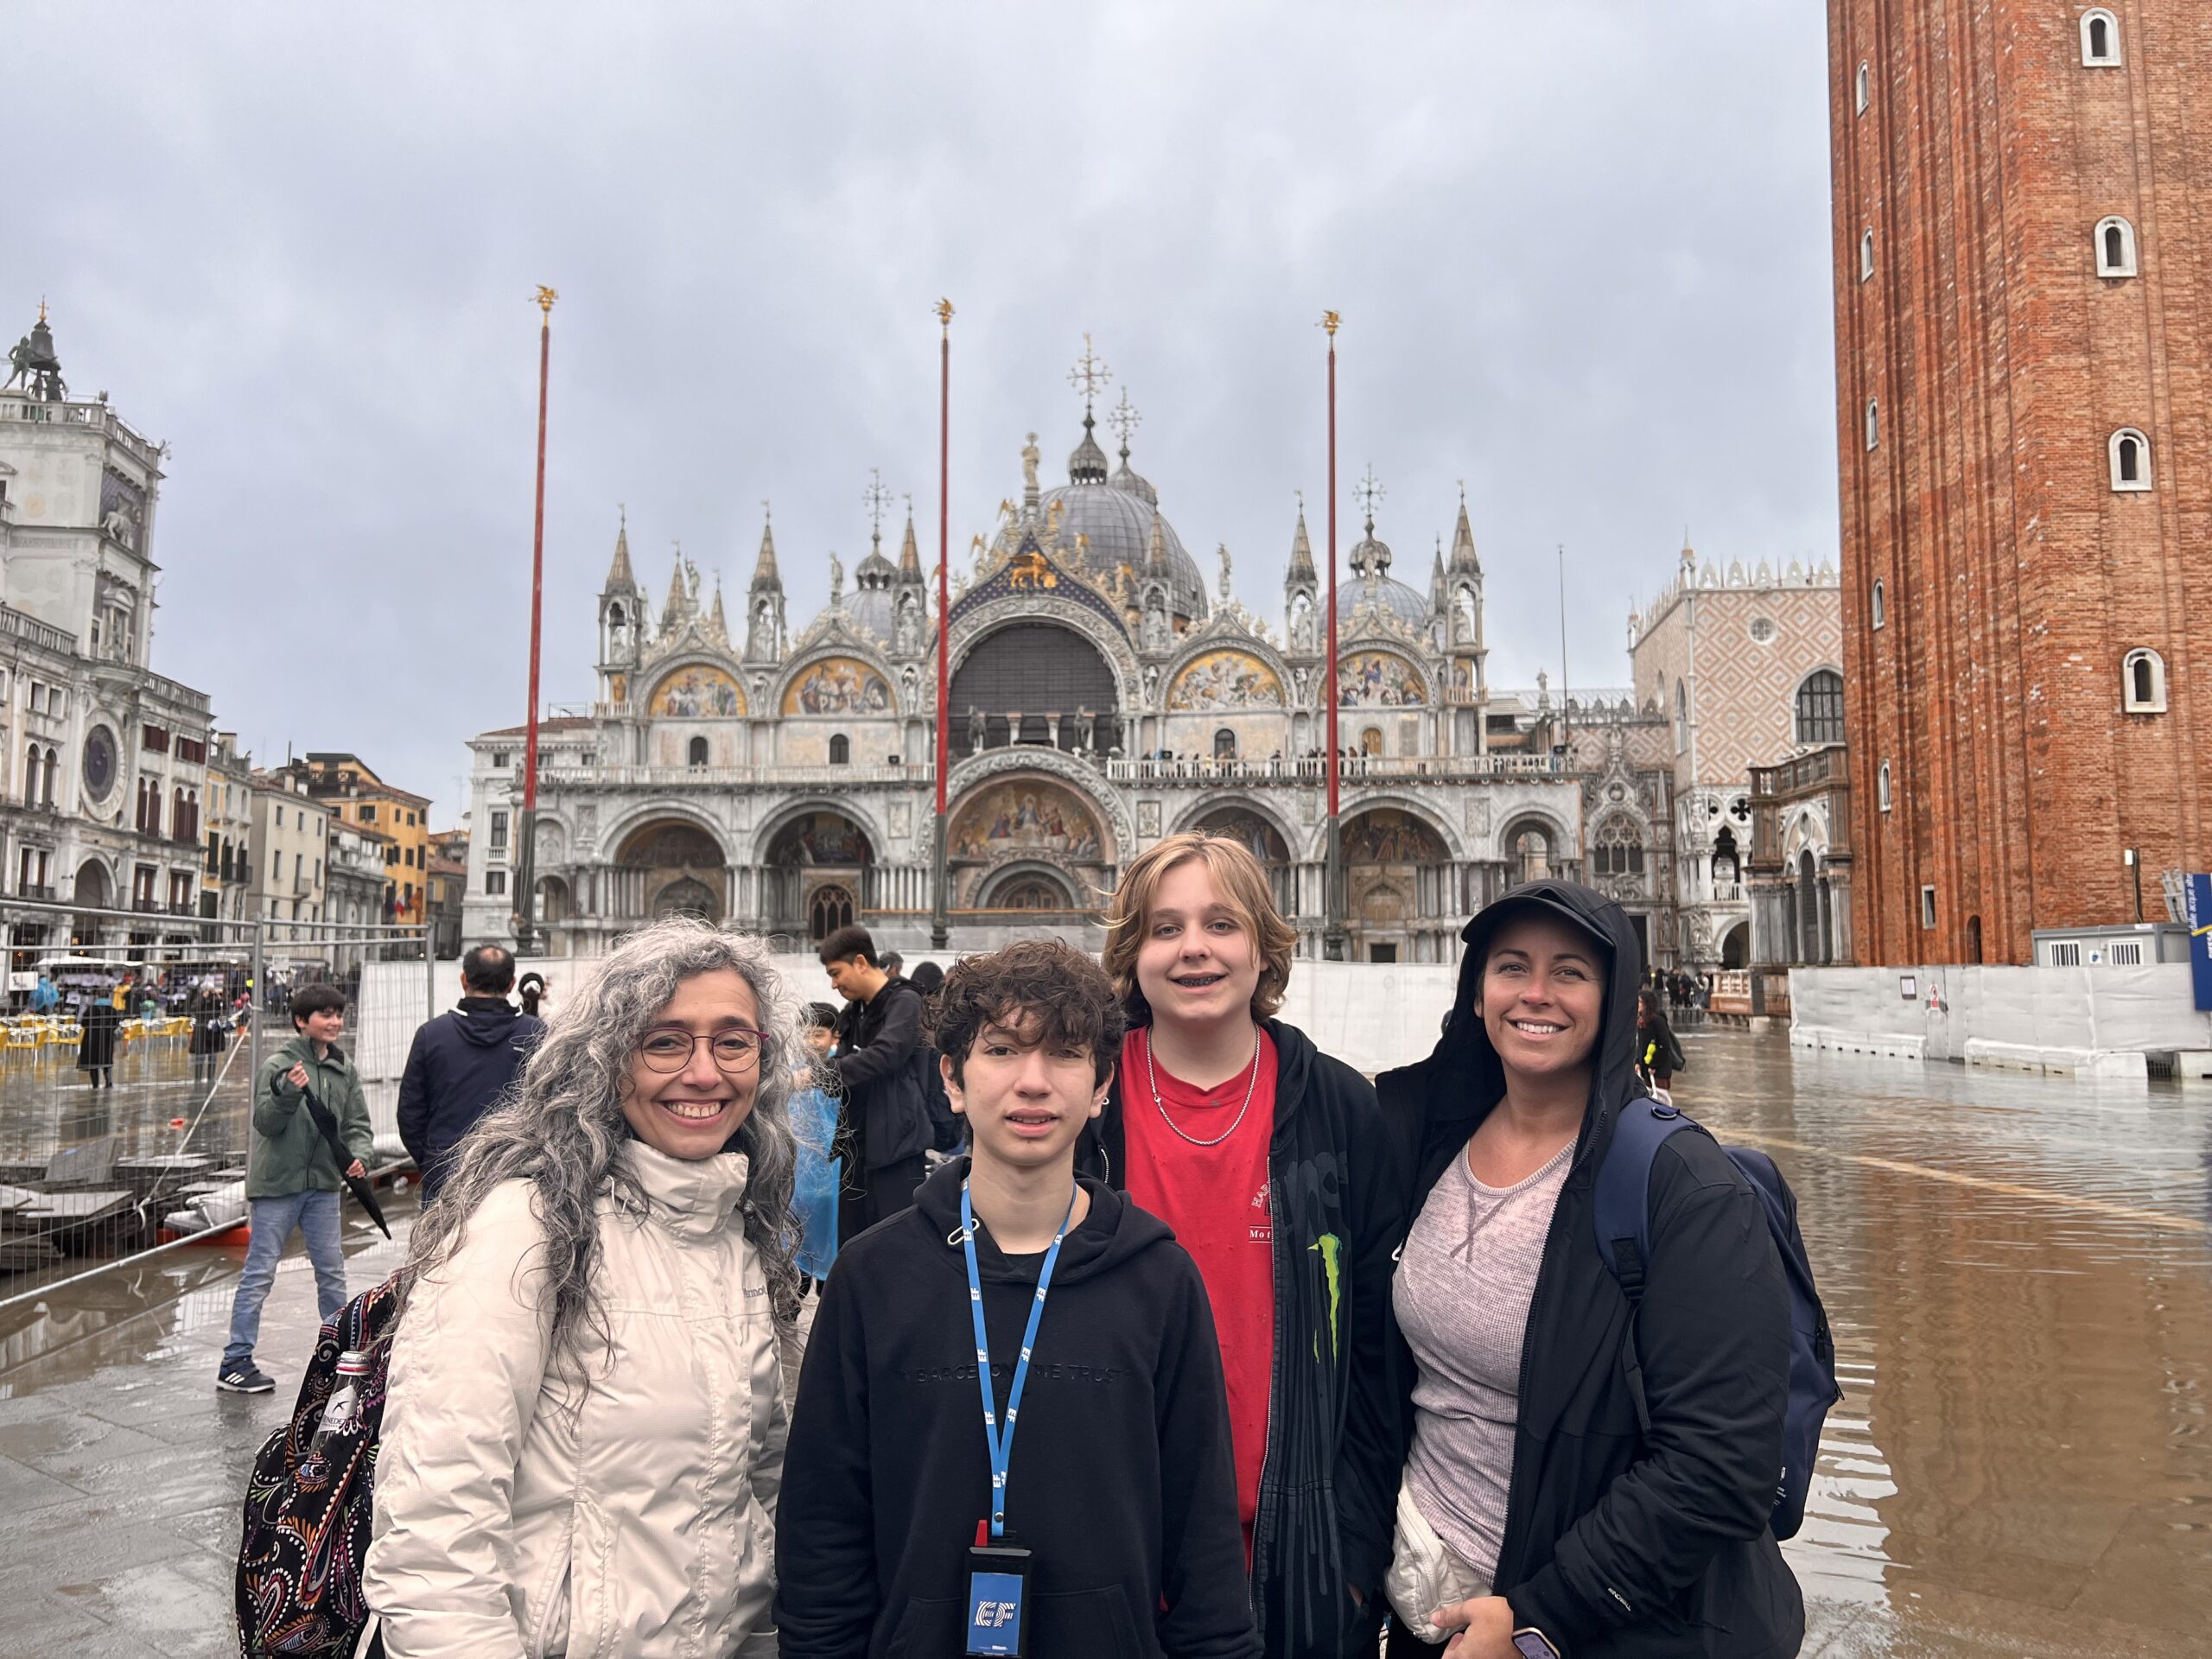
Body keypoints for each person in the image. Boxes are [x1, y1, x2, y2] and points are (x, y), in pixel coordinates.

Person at [776, 939, 1261, 1659]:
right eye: (1001, 1051)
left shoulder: (1159, 1280)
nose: (1032, 1082)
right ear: (952, 1080)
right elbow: (824, 1527)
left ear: (1102, 1086)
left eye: (1065, 1054)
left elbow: (1204, 1533)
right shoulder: (871, 1277)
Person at [1374, 882, 1800, 1659]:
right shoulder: (1425, 1141)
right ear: (1476, 993)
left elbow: (1722, 1463)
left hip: (1577, 1624)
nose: (1536, 994)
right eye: (1511, 968)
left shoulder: (1686, 1186)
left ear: (1616, 999)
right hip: (1425, 1600)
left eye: (1570, 972)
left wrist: (1541, 1618)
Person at [365, 918, 798, 1658]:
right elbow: (433, 1537)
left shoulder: (739, 1234)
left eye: (733, 1042)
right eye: (664, 1042)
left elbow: (751, 1498)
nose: (704, 1073)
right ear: (604, 1059)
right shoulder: (524, 1228)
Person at [1089, 831, 1403, 1658]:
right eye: (1165, 928)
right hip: (1100, 1542)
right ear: (1131, 954)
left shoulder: (1341, 1112)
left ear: (1264, 949)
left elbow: (1379, 1349)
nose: (1194, 948)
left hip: (1296, 1553)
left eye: (1222, 924)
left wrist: (1355, 1550)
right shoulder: (1078, 1106)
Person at [218, 984, 373, 1394]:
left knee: (332, 1272)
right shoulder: (279, 1064)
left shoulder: (344, 1069)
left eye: (339, 1014)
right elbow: (265, 1124)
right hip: (277, 1187)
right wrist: (288, 1092)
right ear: (301, 1021)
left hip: (323, 1185)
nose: (335, 1022)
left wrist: (361, 1156)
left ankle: (340, 1355)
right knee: (259, 1272)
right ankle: (235, 1361)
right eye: (325, 1015)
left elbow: (357, 1123)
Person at [395, 944, 548, 1199]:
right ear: (511, 984)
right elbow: (551, 1106)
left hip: (447, 1176)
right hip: (515, 1175)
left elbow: (410, 1115)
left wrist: (433, 1162)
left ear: (464, 979)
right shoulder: (536, 1034)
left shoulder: (432, 1035)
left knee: (445, 1240)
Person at [809, 924, 931, 1238]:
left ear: (861, 963)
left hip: (896, 1146)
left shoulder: (905, 1001)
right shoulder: (854, 1012)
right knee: (854, 1243)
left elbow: (887, 1053)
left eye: (837, 973)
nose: (834, 984)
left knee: (898, 1242)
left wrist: (820, 1074)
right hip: (856, 1145)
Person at [791, 1001, 843, 1292]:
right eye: (807, 1033)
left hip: (833, 1177)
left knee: (831, 1249)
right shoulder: (789, 1071)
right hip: (798, 1180)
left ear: (835, 1036)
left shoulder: (846, 1069)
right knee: (793, 1264)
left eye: (819, 1034)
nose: (812, 1041)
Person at [1636, 988, 1688, 1101]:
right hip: (1645, 1068)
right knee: (1648, 1098)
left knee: (1662, 1099)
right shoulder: (1640, 1021)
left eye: (1640, 1002)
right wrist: (1638, 1062)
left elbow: (1664, 1045)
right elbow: (1640, 1045)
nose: (1637, 1004)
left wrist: (1654, 1065)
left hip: (1659, 1069)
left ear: (1646, 1003)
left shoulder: (1658, 1021)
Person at [76, 994, 121, 1090]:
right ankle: (109, 1083)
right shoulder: (112, 1010)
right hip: (107, 1040)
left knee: (93, 1063)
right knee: (107, 1061)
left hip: (92, 1040)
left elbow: (84, 1023)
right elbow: (116, 1024)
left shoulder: (91, 1010)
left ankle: (95, 1085)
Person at [188, 989, 229, 1088]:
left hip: (214, 1033)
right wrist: (203, 997)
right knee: (199, 1058)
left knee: (213, 1057)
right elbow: (193, 1009)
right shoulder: (200, 998)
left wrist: (221, 999)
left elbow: (225, 1013)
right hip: (201, 1032)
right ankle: (197, 1080)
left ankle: (211, 1079)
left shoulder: (219, 1001)